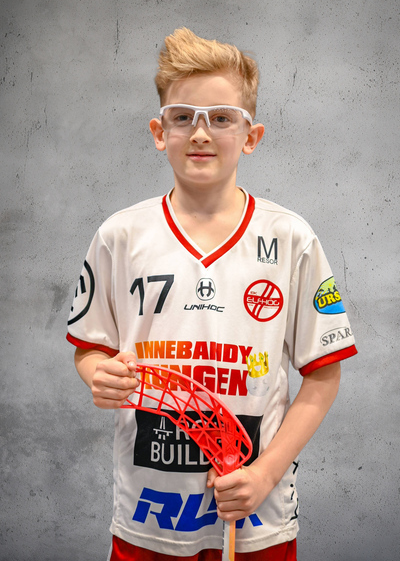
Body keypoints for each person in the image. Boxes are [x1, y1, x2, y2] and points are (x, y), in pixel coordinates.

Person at [67, 28, 357, 561]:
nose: (200, 132)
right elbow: (91, 350)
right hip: (147, 514)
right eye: (183, 117)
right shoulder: (119, 236)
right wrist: (98, 375)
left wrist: (264, 474)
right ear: (160, 132)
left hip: (256, 514)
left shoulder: (291, 238)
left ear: (251, 136)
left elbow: (324, 374)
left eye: (221, 118)